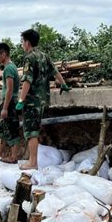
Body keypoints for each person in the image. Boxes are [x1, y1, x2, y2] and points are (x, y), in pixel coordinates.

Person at [16, 29, 71, 170]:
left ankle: (32, 162)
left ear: (27, 43)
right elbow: (55, 71)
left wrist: (21, 100)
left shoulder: (29, 58)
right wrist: (63, 84)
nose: (22, 44)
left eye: (22, 41)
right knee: (35, 129)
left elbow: (27, 81)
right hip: (42, 100)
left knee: (31, 132)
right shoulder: (44, 56)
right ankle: (32, 160)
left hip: (31, 101)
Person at [0, 43, 20, 163]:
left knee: (12, 129)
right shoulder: (11, 67)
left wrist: (5, 108)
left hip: (10, 103)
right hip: (9, 102)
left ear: (3, 54)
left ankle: (14, 157)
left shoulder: (8, 68)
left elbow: (9, 89)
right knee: (3, 131)